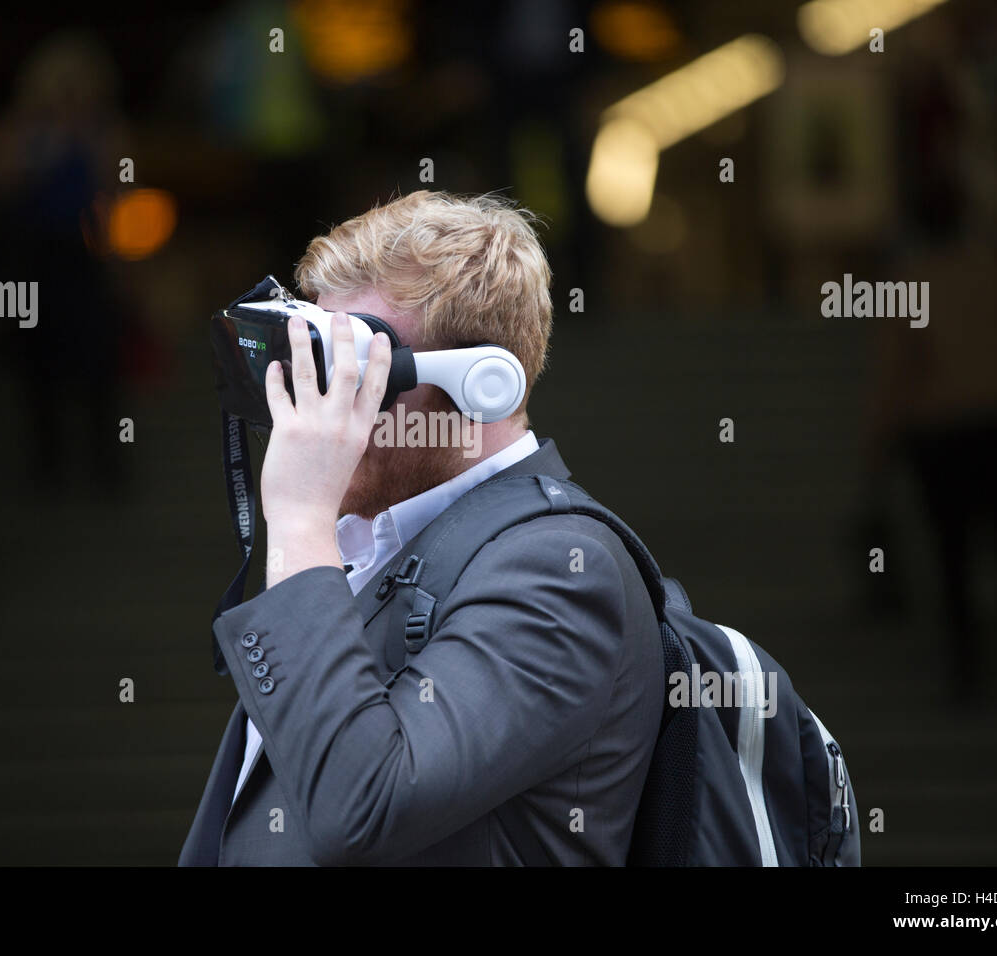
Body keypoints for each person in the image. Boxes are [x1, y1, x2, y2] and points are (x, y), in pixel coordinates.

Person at [179, 191, 663, 866]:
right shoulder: (360, 546)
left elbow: (363, 806)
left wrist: (297, 516)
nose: (320, 402)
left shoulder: (561, 570)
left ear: (481, 385)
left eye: (357, 370)